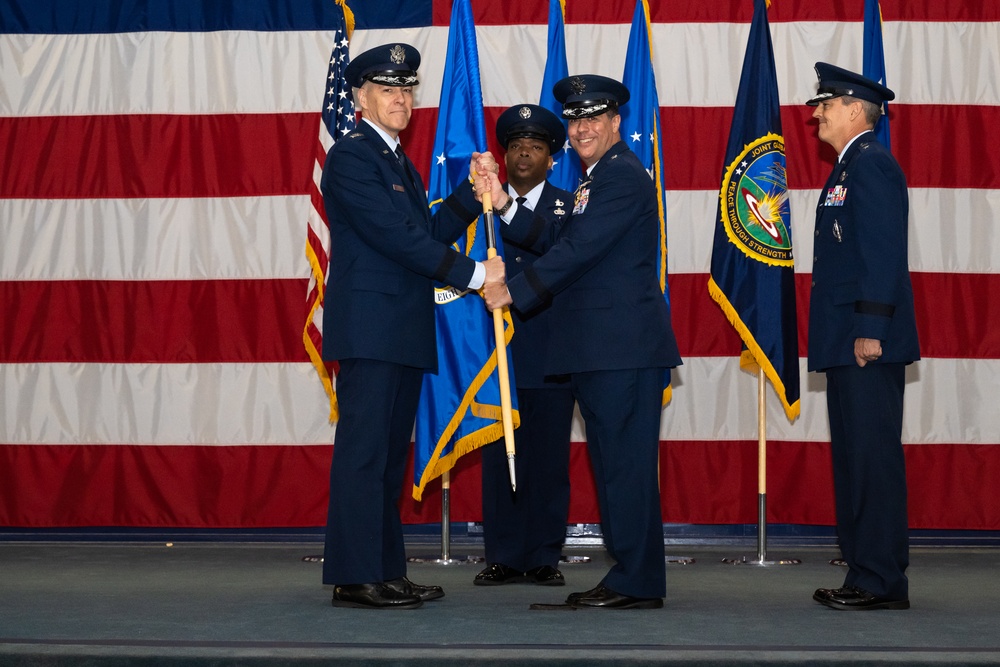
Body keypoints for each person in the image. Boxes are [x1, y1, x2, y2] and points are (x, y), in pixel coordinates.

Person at [481, 75, 681, 609]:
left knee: (626, 470)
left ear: (617, 122)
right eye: (575, 119)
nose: (582, 127)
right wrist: (503, 205)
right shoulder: (598, 179)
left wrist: (511, 293)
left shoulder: (620, 178)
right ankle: (631, 577)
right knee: (615, 467)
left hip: (622, 350)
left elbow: (578, 252)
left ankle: (637, 580)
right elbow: (559, 237)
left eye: (594, 117)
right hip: (602, 351)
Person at [320, 43, 504, 610]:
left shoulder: (397, 160)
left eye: (407, 89)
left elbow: (424, 232)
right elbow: (397, 241)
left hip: (397, 329)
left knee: (387, 460)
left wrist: (472, 199)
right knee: (365, 454)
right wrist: (477, 276)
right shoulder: (353, 157)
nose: (401, 98)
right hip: (372, 329)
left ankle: (384, 570)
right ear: (361, 98)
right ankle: (355, 577)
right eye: (387, 90)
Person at [805, 62, 919, 611]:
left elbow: (882, 252)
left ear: (855, 109)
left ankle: (880, 581)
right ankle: (863, 572)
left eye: (825, 103)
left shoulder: (871, 166)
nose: (817, 112)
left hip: (865, 341)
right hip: (845, 338)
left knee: (872, 460)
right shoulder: (850, 168)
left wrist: (871, 329)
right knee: (853, 460)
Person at [474, 104, 576, 588]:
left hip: (553, 348)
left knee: (548, 456)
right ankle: (503, 554)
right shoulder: (481, 205)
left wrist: (505, 208)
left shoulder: (568, 204)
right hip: (496, 353)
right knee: (498, 456)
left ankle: (542, 554)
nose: (523, 156)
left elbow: (558, 251)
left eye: (535, 148)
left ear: (552, 159)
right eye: (515, 146)